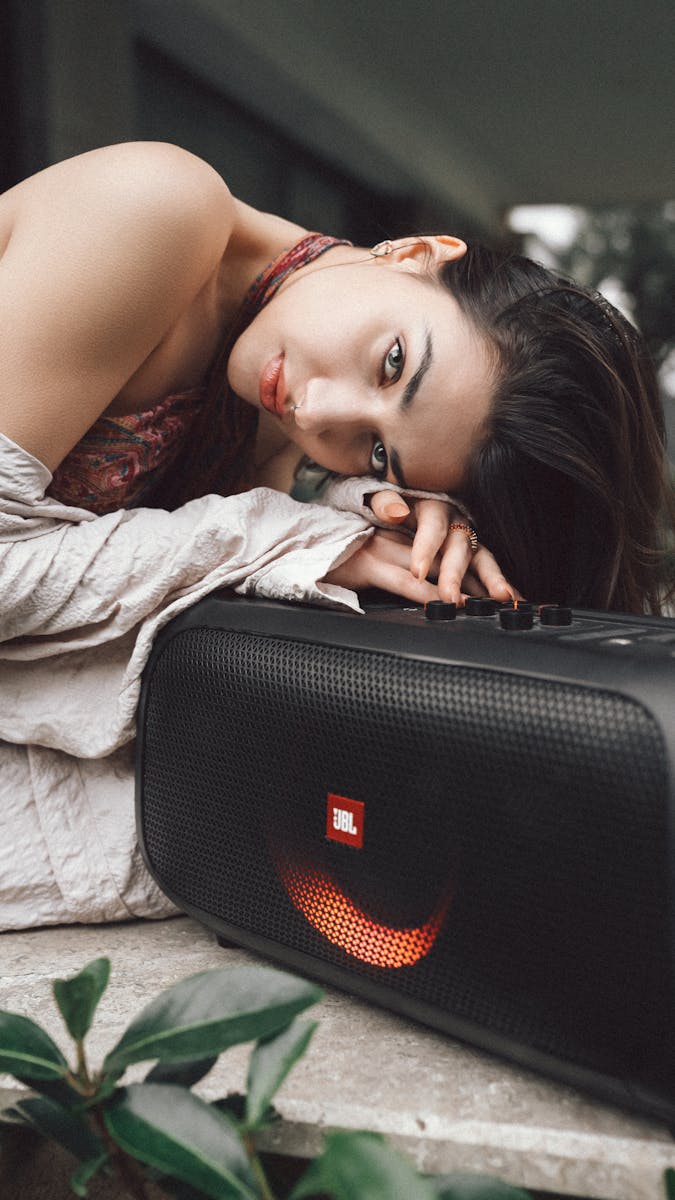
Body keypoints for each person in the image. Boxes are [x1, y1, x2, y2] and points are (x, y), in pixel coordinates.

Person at [0, 142, 672, 929]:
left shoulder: (274, 410)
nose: (319, 412)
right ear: (416, 253)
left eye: (379, 449)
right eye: (392, 363)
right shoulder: (153, 204)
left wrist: (370, 509)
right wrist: (293, 535)